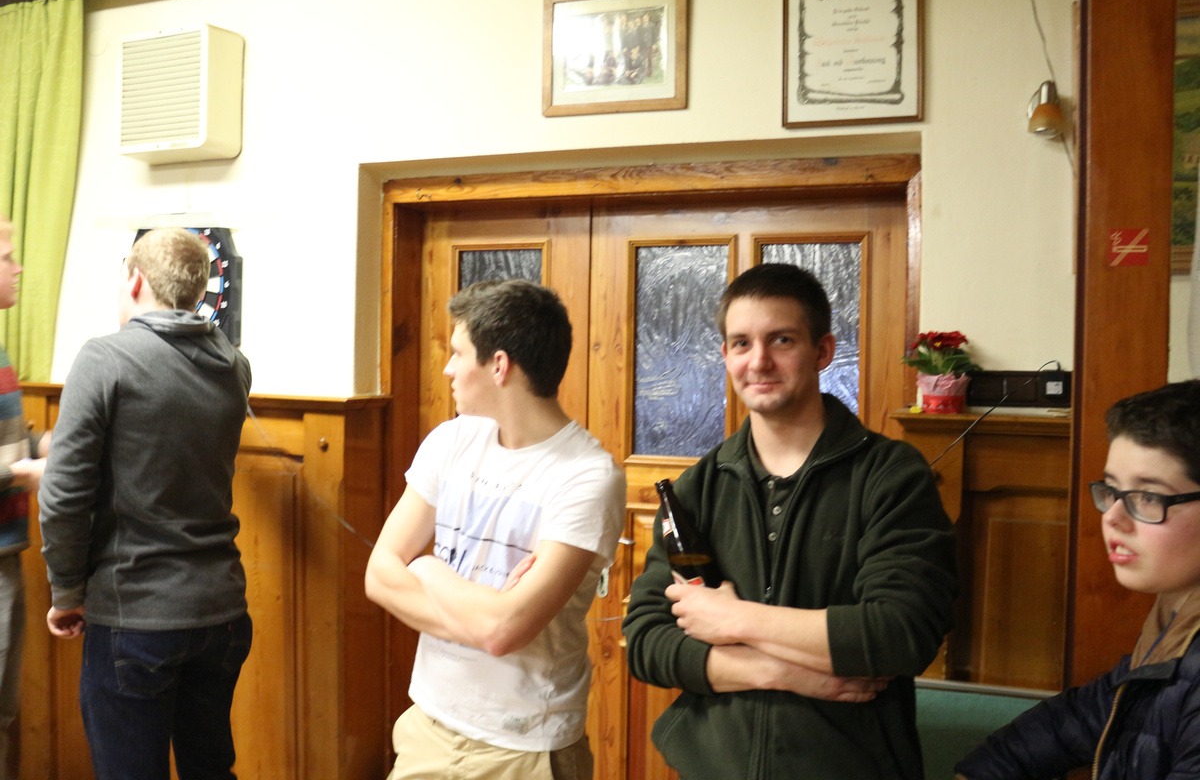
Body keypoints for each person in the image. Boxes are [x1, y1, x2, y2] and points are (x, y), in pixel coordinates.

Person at [623, 263, 958, 779]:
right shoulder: (697, 488)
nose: (759, 361)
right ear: (725, 355)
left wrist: (736, 620)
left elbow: (902, 632)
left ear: (822, 351)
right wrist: (779, 672)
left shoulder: (890, 476)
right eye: (741, 343)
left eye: (781, 340)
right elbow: (647, 638)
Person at [365, 279, 625, 780]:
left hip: (525, 747)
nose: (448, 368)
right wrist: (487, 620)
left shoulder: (588, 476)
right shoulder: (451, 441)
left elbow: (506, 630)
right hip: (427, 728)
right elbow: (378, 576)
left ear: (499, 365)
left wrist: (426, 568)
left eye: (458, 353)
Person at [39, 227, 252, 780]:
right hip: (223, 615)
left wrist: (66, 592)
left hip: (135, 617)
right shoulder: (235, 365)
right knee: (211, 771)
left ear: (135, 280)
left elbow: (63, 497)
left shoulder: (105, 358)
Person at [955, 380, 1200, 780]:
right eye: (1113, 490)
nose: (1113, 517)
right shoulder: (1179, 608)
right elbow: (1089, 714)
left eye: (1148, 497)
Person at [0, 216, 48, 778]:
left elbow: (7, 445)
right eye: (7, 257)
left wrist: (46, 445)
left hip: (6, 559)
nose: (17, 268)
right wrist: (24, 471)